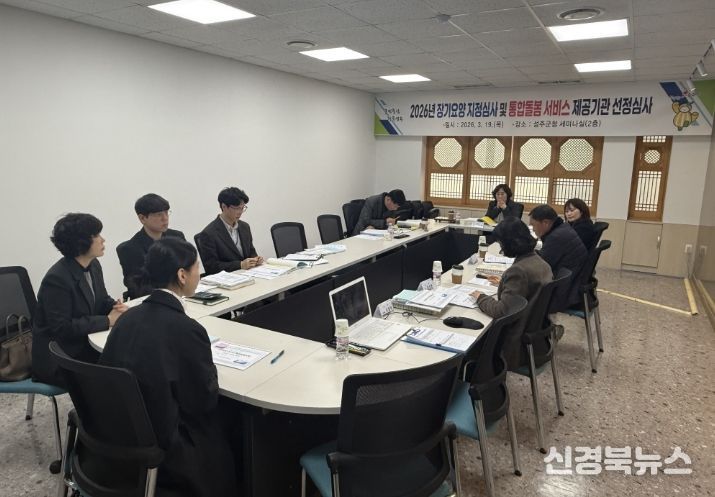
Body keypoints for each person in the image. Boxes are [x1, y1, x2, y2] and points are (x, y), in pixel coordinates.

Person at [99, 238, 237, 497]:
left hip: (117, 437)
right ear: (182, 275)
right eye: (197, 268)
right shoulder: (187, 330)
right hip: (168, 450)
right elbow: (203, 402)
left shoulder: (127, 318)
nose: (199, 274)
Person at [33, 213, 127, 387]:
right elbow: (62, 327)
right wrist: (108, 320)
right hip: (62, 356)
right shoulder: (57, 279)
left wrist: (116, 307)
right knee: (123, 367)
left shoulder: (93, 264)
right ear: (81, 242)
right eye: (96, 235)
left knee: (130, 356)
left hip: (84, 344)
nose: (103, 240)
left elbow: (100, 300)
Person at [470, 218, 552, 368]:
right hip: (536, 341)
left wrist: (480, 297)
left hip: (513, 345)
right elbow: (526, 290)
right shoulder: (541, 262)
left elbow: (500, 311)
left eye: (501, 244)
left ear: (510, 243)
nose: (501, 249)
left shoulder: (518, 271)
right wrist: (504, 283)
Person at [117, 193, 186, 299]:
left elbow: (188, 268)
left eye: (166, 212)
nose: (165, 218)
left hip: (183, 295)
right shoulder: (129, 249)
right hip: (154, 300)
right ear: (142, 218)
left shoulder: (177, 237)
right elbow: (139, 289)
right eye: (159, 214)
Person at [529, 204, 587, 312]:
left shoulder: (556, 237)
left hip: (561, 294)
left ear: (545, 223)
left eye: (534, 226)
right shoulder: (563, 228)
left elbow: (540, 267)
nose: (533, 230)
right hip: (570, 285)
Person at [197, 187, 263, 275]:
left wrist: (256, 259)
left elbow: (251, 251)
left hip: (249, 275)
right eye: (237, 208)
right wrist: (240, 265)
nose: (240, 212)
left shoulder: (245, 227)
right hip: (227, 279)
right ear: (224, 207)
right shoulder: (208, 233)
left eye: (242, 208)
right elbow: (212, 267)